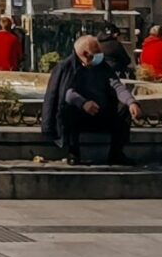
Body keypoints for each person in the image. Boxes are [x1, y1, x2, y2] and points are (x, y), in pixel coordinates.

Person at [41, 34, 133, 165]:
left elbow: (116, 85)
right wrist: (83, 103)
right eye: (96, 54)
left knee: (123, 108)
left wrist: (131, 102)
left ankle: (116, 153)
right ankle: (73, 152)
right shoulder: (67, 68)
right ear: (85, 54)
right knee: (68, 109)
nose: (99, 57)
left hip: (102, 113)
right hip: (80, 116)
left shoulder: (102, 66)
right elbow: (65, 93)